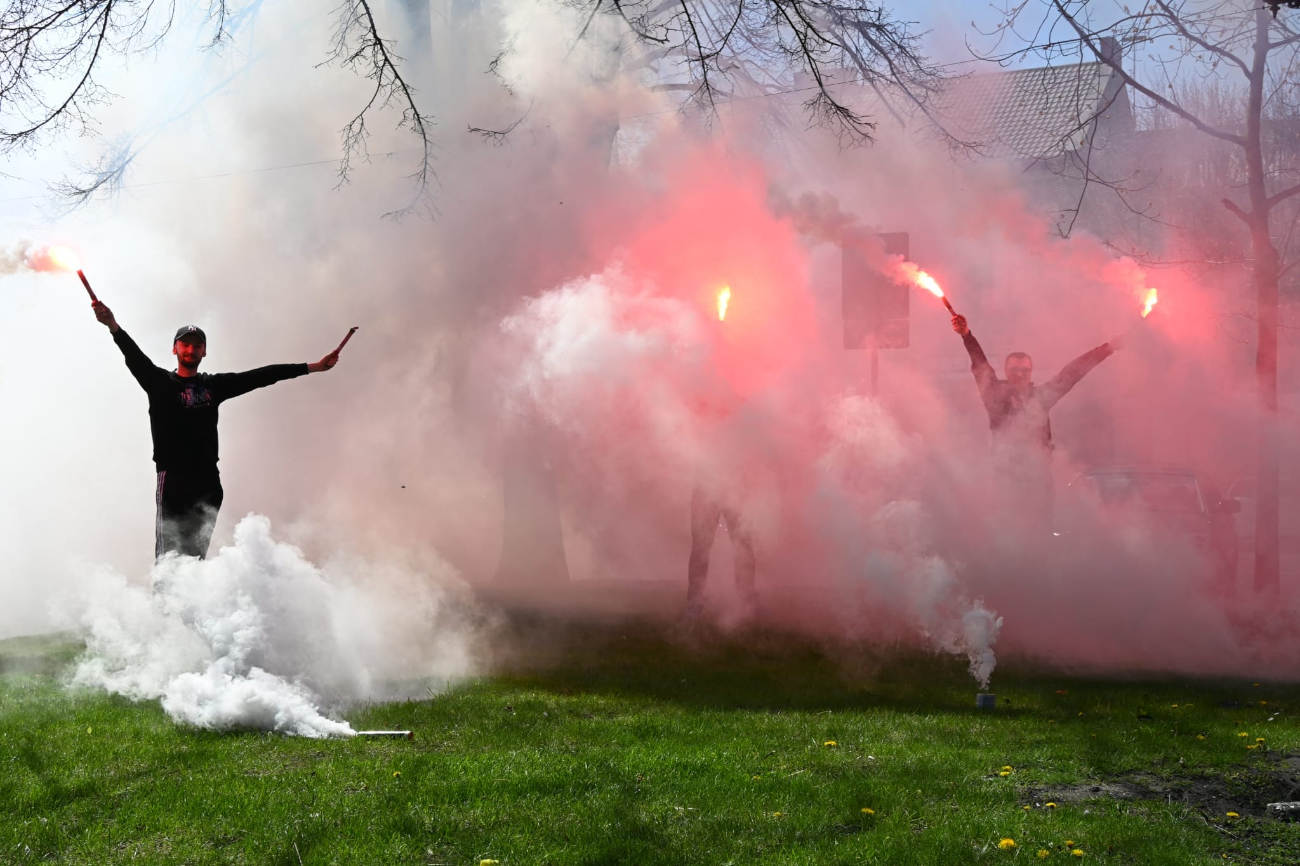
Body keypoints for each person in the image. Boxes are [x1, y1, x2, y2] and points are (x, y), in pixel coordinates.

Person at [92, 300, 342, 560]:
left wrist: (312, 367)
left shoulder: (214, 386)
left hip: (208, 482)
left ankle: (196, 599)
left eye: (197, 345)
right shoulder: (159, 382)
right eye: (185, 344)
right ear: (174, 349)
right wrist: (113, 326)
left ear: (204, 352)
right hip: (174, 480)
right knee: (170, 558)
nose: (191, 349)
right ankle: (166, 601)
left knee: (195, 559)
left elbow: (261, 376)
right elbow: (134, 357)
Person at [952, 313, 1122, 529]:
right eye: (1014, 370)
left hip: (1039, 482)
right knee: (1009, 532)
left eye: (1024, 370)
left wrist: (1106, 348)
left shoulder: (1041, 398)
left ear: (1031, 372)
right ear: (1006, 371)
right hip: (1007, 481)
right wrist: (967, 335)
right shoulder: (994, 394)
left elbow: (1071, 373)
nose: (1020, 374)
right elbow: (980, 365)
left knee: (1039, 532)